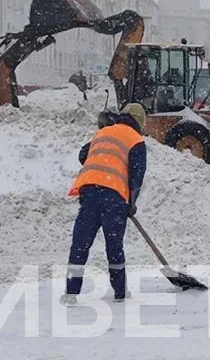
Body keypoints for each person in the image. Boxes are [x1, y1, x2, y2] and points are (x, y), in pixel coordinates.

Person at [62, 103, 148, 304]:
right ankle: (120, 293)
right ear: (140, 122)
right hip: (113, 197)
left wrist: (102, 162)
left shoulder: (103, 132)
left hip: (89, 192)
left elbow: (83, 155)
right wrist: (131, 203)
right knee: (114, 246)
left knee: (80, 244)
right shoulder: (136, 140)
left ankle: (71, 293)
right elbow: (136, 176)